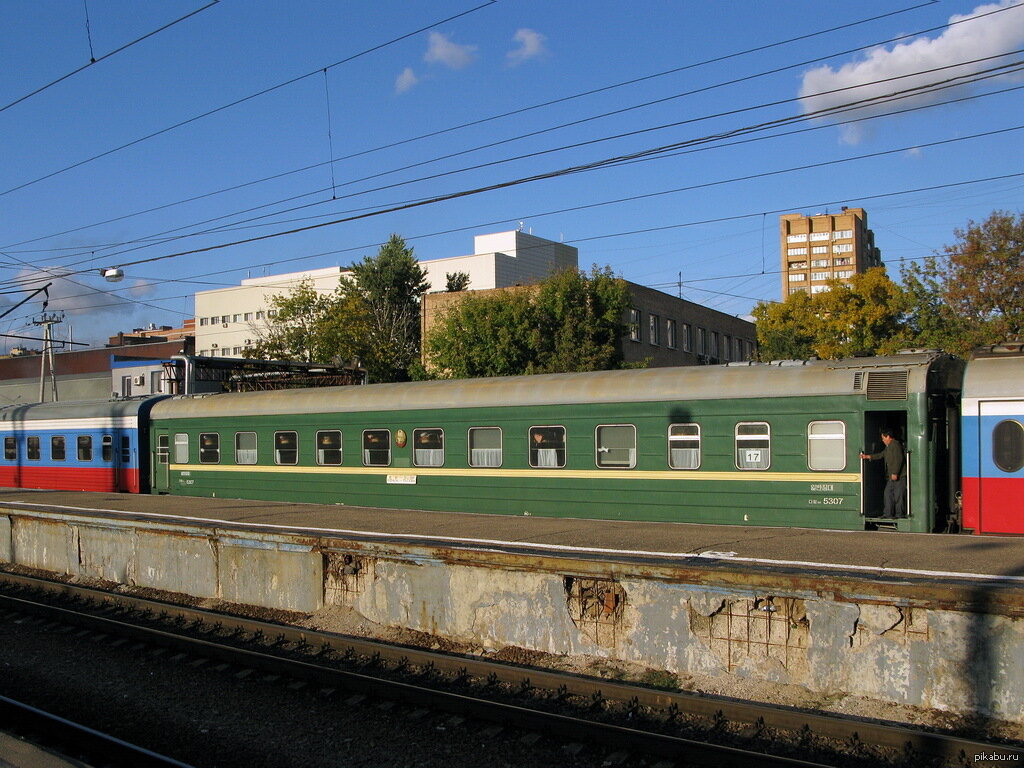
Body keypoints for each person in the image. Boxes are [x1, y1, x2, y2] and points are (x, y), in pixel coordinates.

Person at [859, 429, 906, 519]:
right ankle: (888, 514)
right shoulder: (888, 447)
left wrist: (895, 473)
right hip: (892, 476)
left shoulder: (895, 445)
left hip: (898, 476)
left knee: (898, 496)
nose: (882, 440)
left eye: (883, 438)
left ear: (888, 436)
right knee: (888, 494)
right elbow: (881, 455)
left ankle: (899, 515)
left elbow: (899, 459)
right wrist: (867, 456)